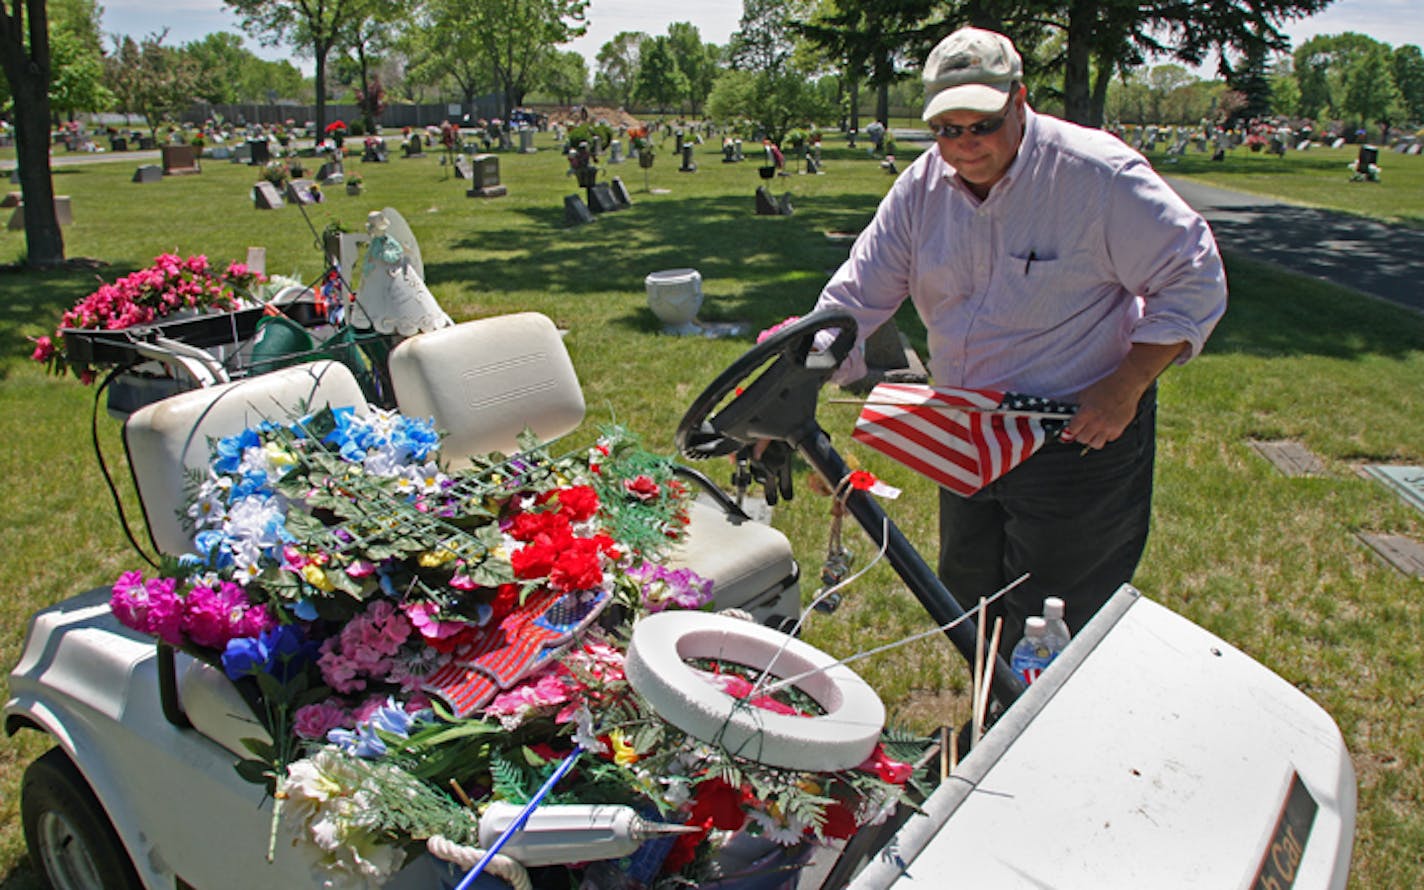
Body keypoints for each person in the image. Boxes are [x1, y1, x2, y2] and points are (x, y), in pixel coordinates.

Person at [810, 27, 1227, 652]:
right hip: (970, 429)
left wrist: (1128, 383)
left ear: (1020, 99)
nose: (964, 145)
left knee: (1057, 616)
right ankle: (993, 730)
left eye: (981, 123)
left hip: (1076, 433)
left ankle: (1049, 736)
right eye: (947, 129)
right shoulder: (921, 190)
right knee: (968, 592)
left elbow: (1193, 275)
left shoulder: (1097, 177)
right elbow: (854, 297)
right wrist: (798, 376)